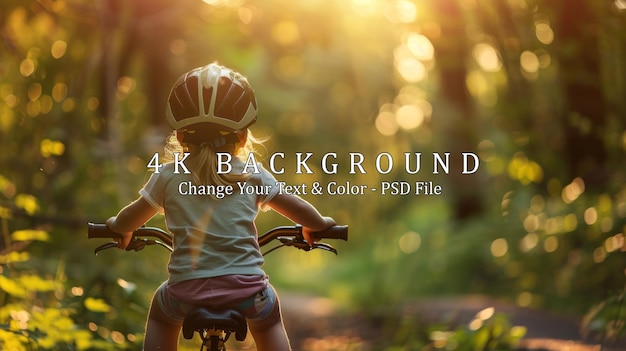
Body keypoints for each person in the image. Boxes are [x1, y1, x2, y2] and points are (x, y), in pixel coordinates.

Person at [105, 63, 335, 351]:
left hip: (184, 293)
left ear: (179, 136)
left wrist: (118, 229)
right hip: (248, 293)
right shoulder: (252, 173)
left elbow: (130, 218)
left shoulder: (166, 176)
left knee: (161, 316)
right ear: (241, 137)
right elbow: (299, 209)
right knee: (270, 318)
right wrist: (317, 224)